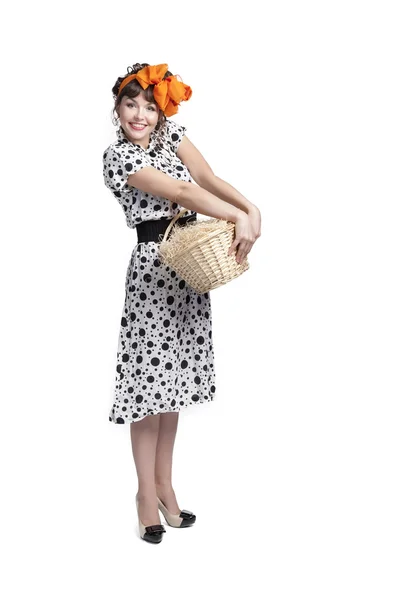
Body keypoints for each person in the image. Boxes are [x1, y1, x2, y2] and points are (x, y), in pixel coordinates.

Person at [103, 62, 261, 543]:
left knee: (171, 393)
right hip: (153, 271)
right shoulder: (116, 157)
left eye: (149, 106)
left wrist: (250, 207)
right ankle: (143, 496)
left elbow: (204, 175)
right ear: (117, 108)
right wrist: (236, 216)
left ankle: (166, 488)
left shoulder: (173, 135)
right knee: (149, 393)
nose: (140, 115)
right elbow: (178, 190)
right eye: (131, 104)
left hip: (187, 268)